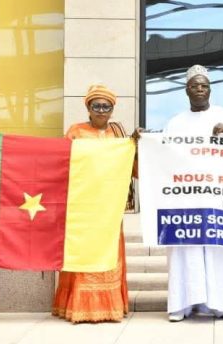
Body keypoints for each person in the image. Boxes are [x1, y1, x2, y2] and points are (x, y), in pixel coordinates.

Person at [156, 64, 223, 322]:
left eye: (204, 86)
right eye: (195, 86)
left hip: (217, 198)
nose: (200, 90)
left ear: (210, 90)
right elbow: (162, 155)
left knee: (219, 250)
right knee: (186, 250)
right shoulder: (175, 122)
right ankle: (181, 305)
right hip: (185, 199)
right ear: (187, 90)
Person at [52, 84, 130, 323]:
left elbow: (131, 167)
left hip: (109, 209)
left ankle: (111, 307)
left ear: (112, 110)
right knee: (83, 255)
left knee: (109, 254)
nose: (101, 111)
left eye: (106, 106)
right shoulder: (75, 132)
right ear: (88, 108)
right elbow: (61, 162)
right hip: (83, 208)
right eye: (96, 106)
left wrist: (135, 145)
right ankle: (79, 308)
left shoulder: (119, 135)